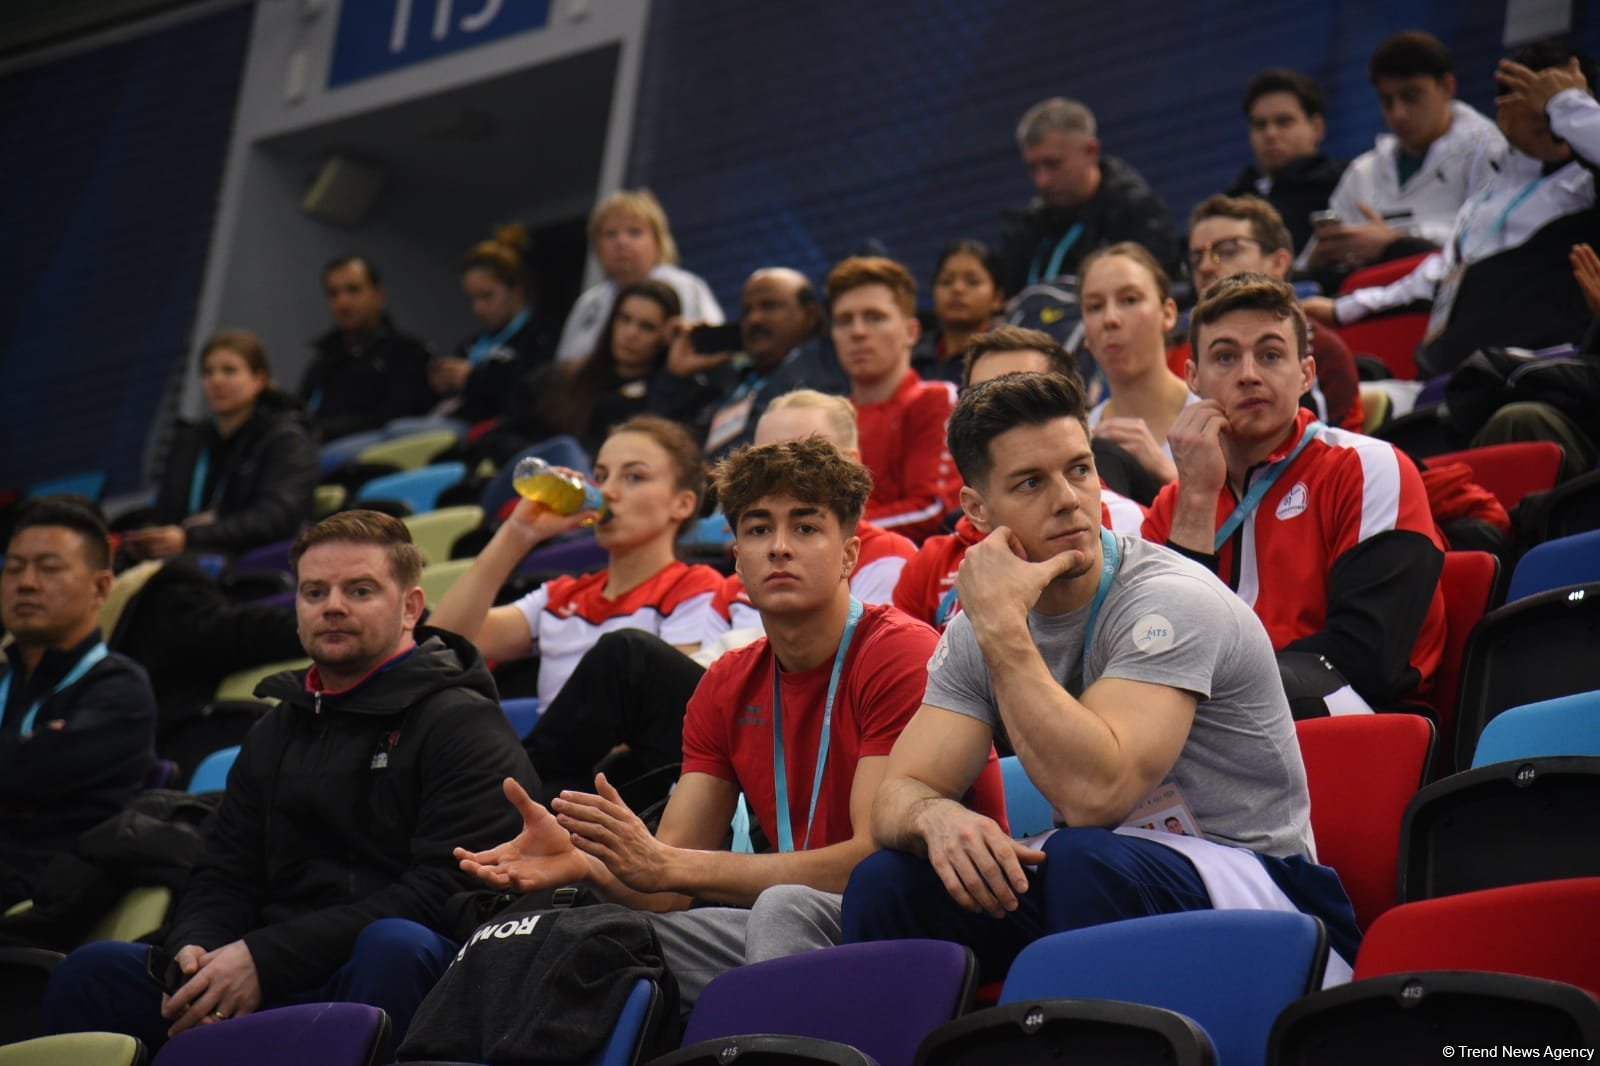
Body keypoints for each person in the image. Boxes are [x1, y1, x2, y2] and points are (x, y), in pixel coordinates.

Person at [839, 372, 1359, 984]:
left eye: (1079, 469)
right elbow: (892, 799)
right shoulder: (976, 627)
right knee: (886, 881)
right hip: (1107, 871)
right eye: (1031, 482)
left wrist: (1004, 631)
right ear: (978, 511)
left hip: (1266, 886)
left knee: (1081, 856)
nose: (1067, 498)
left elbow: (1095, 797)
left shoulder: (1170, 599)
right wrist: (933, 817)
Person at [454, 436, 1006, 1004]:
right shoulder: (725, 683)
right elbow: (664, 886)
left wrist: (668, 864)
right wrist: (589, 865)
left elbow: (868, 864)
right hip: (796, 920)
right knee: (593, 940)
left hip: (928, 913)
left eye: (807, 528)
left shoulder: (901, 652)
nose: (780, 548)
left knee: (781, 906)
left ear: (849, 555)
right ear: (737, 558)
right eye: (759, 529)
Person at [42, 511, 538, 1057]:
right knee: (92, 973)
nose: (333, 606)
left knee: (393, 945)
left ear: (411, 609)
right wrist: (198, 948)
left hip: (384, 970)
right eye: (314, 591)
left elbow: (445, 890)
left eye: (360, 589)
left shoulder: (461, 722)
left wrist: (264, 957)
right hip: (268, 964)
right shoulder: (273, 731)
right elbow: (223, 871)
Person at [1146, 274, 1446, 711]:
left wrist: (1209, 688)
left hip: (1354, 719)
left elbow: (1368, 660)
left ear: (1305, 374)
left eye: (1270, 354)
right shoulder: (1173, 505)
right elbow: (1162, 653)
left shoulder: (1368, 468)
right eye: (1225, 358)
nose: (1248, 375)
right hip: (1218, 720)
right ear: (1193, 379)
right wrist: (1196, 498)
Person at [1304, 44, 1600, 379]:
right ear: (1504, 113)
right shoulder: (1486, 199)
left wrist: (1566, 105)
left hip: (1540, 374)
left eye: (1558, 103)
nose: (1551, 118)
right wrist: (1342, 309)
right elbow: (1435, 277)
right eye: (1537, 103)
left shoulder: (1587, 187)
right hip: (1451, 376)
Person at [429, 416, 722, 708]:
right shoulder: (561, 596)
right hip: (546, 752)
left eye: (634, 477)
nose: (607, 491)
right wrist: (517, 535)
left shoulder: (695, 589)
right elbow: (439, 647)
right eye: (602, 476)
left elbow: (665, 712)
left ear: (682, 504)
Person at [893, 328, 1146, 630]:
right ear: (975, 508)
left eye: (1026, 387)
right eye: (981, 396)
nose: (1005, 406)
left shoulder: (1132, 527)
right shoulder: (930, 566)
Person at [0, 497, 156, 908]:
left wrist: (22, 759)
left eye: (49, 569)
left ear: (102, 586)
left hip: (42, 897)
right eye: (14, 568)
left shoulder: (120, 688)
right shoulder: (4, 679)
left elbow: (23, 776)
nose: (26, 583)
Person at [710, 390, 918, 633]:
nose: (784, 469)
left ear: (852, 463)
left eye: (807, 455)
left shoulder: (887, 556)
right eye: (765, 456)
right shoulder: (736, 582)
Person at [1308, 30, 1503, 276]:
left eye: (1411, 96)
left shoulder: (1490, 150)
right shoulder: (1363, 171)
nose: (1398, 113)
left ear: (1447, 87)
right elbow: (1309, 260)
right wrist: (1319, 259)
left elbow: (1495, 239)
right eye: (1387, 101)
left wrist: (1396, 242)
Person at [126, 330, 317, 561]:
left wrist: (192, 536)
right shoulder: (189, 442)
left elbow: (274, 520)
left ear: (259, 380)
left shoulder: (287, 440)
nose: (216, 381)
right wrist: (151, 536)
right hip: (189, 551)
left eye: (229, 371)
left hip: (248, 557)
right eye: (208, 373)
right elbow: (166, 510)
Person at [1182, 195, 1363, 432]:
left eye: (1226, 250)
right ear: (1193, 375)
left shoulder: (1321, 350)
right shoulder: (1176, 354)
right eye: (1196, 259)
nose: (1206, 267)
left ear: (1279, 263)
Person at [652, 266, 847, 460]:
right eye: (746, 311)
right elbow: (668, 443)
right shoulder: (738, 381)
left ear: (810, 314)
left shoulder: (830, 363)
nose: (754, 319)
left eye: (769, 306)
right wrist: (676, 377)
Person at [829, 256, 961, 541]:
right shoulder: (825, 417)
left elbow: (934, 509)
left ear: (911, 332)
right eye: (844, 321)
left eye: (874, 317)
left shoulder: (935, 399)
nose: (858, 332)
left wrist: (824, 530)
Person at [999, 97, 1179, 293]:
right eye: (1033, 168)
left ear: (1091, 151)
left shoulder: (1137, 216)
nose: (1042, 181)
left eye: (1053, 164)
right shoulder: (1028, 230)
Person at [506, 279, 682, 461]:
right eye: (624, 319)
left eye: (647, 327)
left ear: (665, 337)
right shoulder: (562, 377)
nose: (631, 333)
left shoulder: (668, 395)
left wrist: (676, 370)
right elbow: (509, 436)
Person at [1078, 243, 1198, 491]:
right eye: (1095, 307)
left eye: (1129, 300)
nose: (1110, 318)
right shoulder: (1078, 442)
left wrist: (1167, 474)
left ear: (1168, 314)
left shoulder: (1217, 419)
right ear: (1086, 334)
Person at [555, 189, 723, 363]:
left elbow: (713, 351)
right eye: (610, 234)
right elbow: (564, 366)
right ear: (597, 247)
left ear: (658, 241)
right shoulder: (588, 304)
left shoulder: (687, 288)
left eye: (634, 232)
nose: (621, 242)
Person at [430, 223, 562, 425]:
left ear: (516, 288)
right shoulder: (472, 344)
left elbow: (531, 399)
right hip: (448, 423)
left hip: (492, 434)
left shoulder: (542, 337)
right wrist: (441, 384)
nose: (478, 308)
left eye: (486, 296)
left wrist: (474, 379)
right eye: (473, 299)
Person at [299, 254, 436, 443]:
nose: (342, 302)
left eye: (353, 290)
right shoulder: (322, 363)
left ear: (378, 294)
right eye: (333, 293)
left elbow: (397, 417)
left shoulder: (407, 353)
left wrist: (326, 431)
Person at [1224, 70, 1348, 255]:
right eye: (1260, 125)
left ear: (1317, 127)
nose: (1270, 134)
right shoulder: (1231, 202)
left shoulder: (1345, 183)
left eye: (1284, 122)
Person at [912, 240, 1006, 384]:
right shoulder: (913, 357)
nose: (957, 289)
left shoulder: (1008, 357)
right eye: (946, 281)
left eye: (972, 281)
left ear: (997, 299)